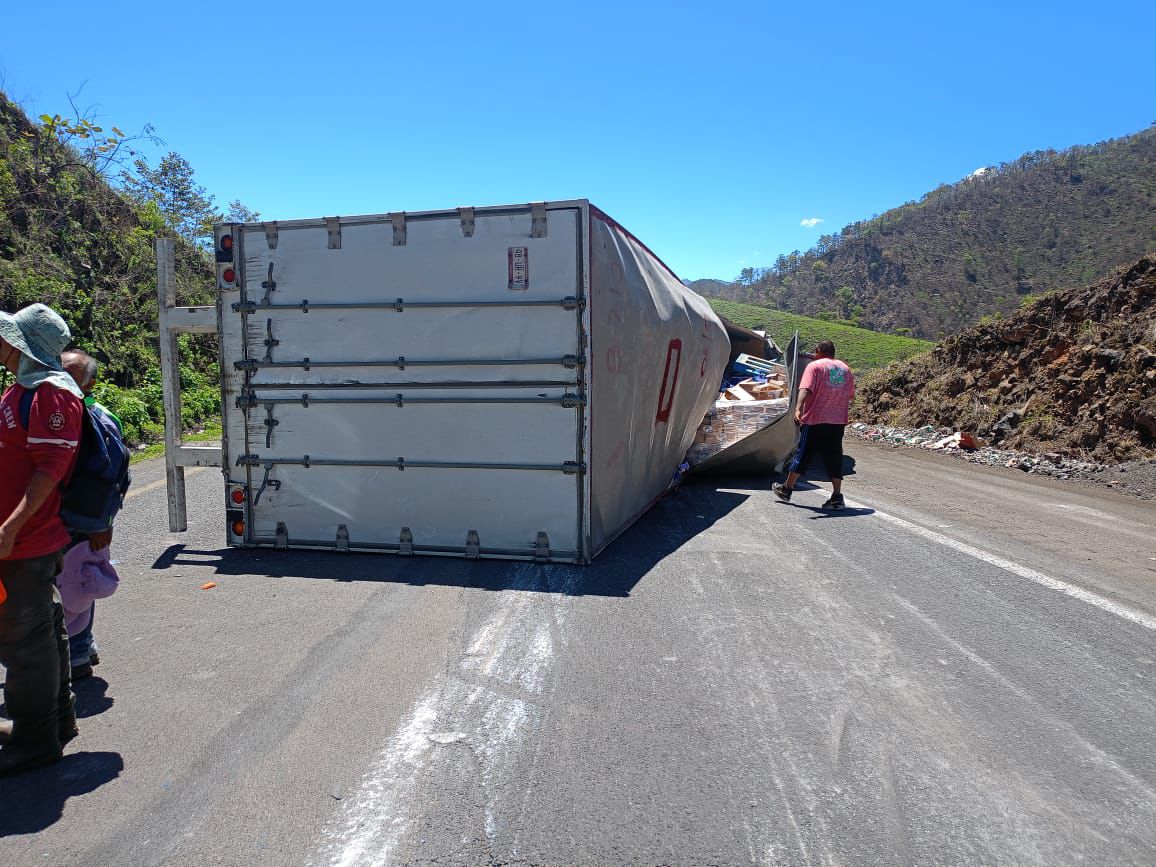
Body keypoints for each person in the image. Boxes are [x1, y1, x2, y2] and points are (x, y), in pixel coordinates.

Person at [0, 303, 85, 776]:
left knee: (23, 641)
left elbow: (50, 469)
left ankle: (34, 740)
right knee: (41, 631)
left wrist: (9, 528)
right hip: (24, 538)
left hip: (25, 541)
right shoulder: (24, 389)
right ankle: (56, 721)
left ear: (22, 343)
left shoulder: (52, 395)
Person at [59, 349, 123, 680]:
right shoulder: (60, 414)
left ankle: (78, 654)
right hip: (64, 518)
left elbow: (112, 478)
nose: (61, 379)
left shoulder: (100, 420)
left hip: (85, 522)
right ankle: (84, 645)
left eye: (71, 374)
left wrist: (103, 524)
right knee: (75, 582)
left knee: (78, 582)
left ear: (90, 383)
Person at [773, 339, 856, 510]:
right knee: (834, 456)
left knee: (803, 454)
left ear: (818, 351)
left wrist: (797, 408)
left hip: (815, 419)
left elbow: (805, 389)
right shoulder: (845, 369)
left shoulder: (815, 367)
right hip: (837, 421)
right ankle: (837, 496)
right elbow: (850, 395)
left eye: (815, 352)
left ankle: (787, 489)